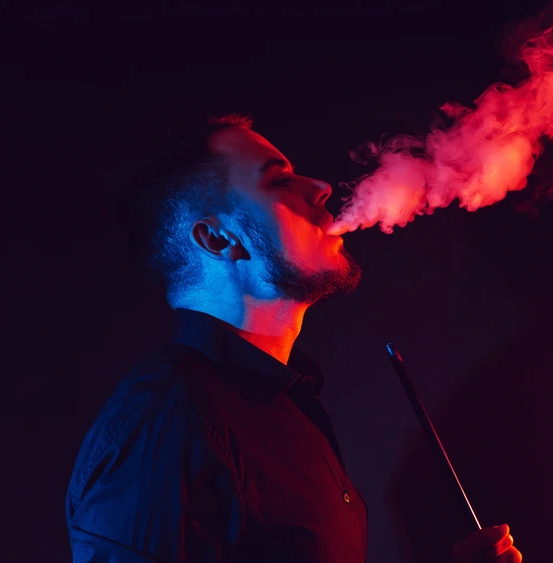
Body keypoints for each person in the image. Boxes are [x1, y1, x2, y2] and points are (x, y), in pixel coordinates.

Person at [64, 114, 523, 563]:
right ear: (219, 239)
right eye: (278, 182)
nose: (321, 186)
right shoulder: (169, 424)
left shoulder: (282, 406)